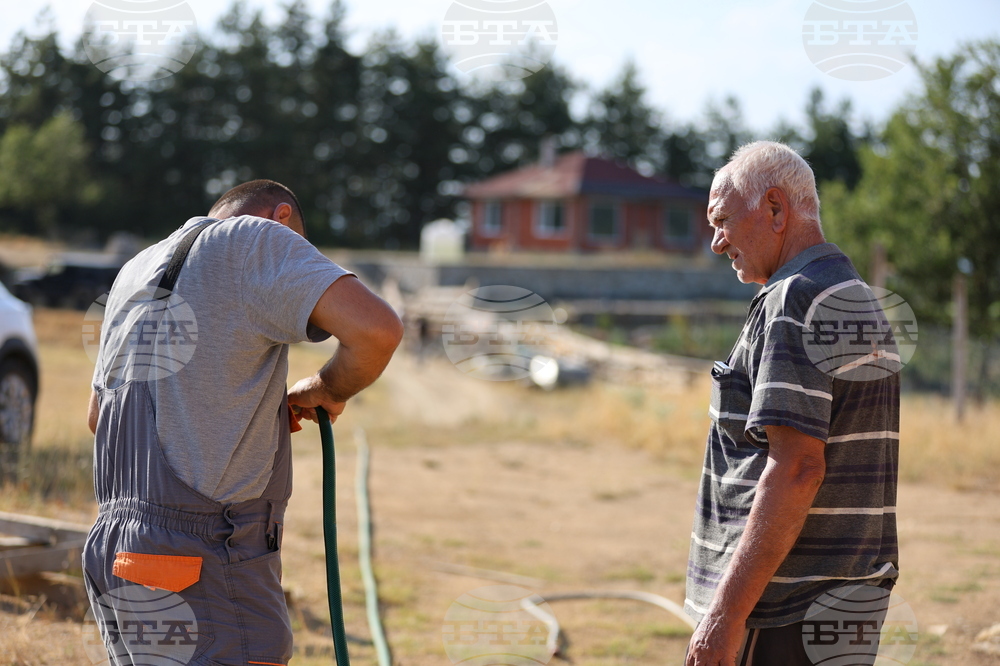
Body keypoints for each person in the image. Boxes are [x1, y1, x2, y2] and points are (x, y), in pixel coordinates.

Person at [83, 179, 403, 665]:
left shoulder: (137, 268)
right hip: (205, 558)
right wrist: (328, 389)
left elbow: (97, 418)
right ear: (280, 218)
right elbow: (377, 331)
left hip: (117, 551)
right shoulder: (254, 239)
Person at [684, 142, 900, 665]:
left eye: (723, 220)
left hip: (781, 610)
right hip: (845, 601)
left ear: (776, 209)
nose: (716, 242)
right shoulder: (852, 294)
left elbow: (798, 467)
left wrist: (725, 616)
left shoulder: (793, 299)